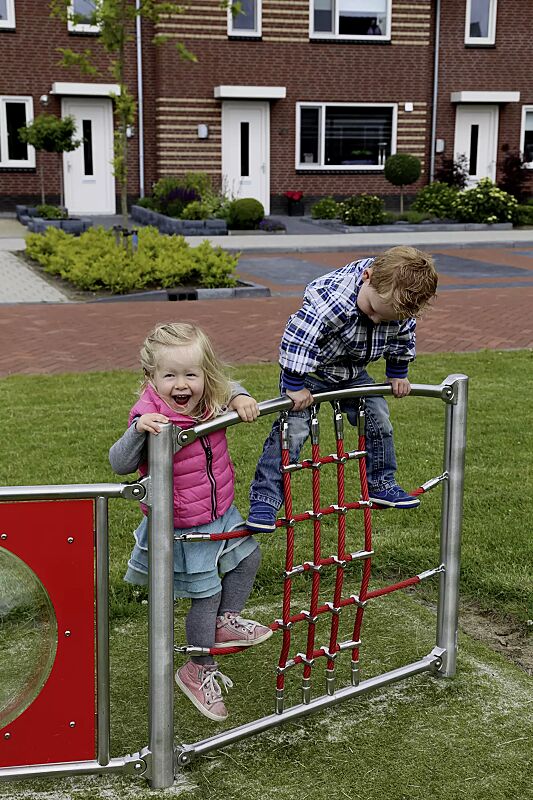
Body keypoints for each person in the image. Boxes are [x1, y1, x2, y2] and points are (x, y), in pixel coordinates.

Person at [109, 322, 272, 722]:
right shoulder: (150, 416)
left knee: (248, 558)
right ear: (152, 378)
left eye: (191, 374)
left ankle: (224, 623)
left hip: (221, 510)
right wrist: (137, 431)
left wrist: (241, 396)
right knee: (206, 592)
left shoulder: (210, 396)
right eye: (170, 375)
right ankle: (198, 668)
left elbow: (227, 385)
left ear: (205, 375)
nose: (182, 384)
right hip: (184, 524)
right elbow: (118, 463)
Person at [246, 246, 438, 533]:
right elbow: (297, 340)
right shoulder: (330, 301)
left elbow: (403, 337)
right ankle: (265, 500)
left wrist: (397, 372)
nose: (375, 320)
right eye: (373, 310)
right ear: (367, 276)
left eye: (384, 319)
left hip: (352, 372)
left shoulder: (397, 306)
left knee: (378, 416)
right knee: (294, 432)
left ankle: (381, 483)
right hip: (311, 371)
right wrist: (294, 385)